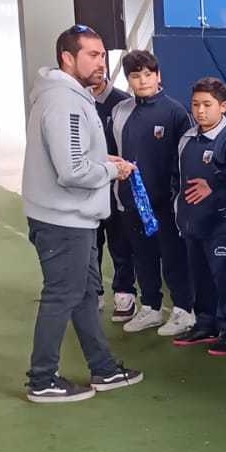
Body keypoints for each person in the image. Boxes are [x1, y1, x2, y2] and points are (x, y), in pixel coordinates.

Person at [20, 26, 144, 403]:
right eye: (91, 55)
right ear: (67, 58)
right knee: (62, 295)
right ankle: (43, 379)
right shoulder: (66, 102)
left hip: (71, 218)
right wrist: (111, 171)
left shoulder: (69, 96)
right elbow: (72, 171)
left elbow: (72, 154)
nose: (100, 62)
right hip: (64, 221)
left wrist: (103, 159)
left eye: (103, 54)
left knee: (86, 294)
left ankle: (102, 367)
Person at [113, 50, 197, 338]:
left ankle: (184, 310)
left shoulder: (175, 112)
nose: (143, 81)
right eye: (135, 76)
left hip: (165, 204)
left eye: (148, 74)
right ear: (128, 80)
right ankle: (150, 307)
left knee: (173, 258)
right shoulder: (121, 111)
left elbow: (185, 158)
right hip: (131, 201)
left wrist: (175, 198)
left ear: (158, 76)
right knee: (142, 257)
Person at [172, 78, 226, 356]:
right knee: (200, 278)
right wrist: (183, 214)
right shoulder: (187, 138)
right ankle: (206, 324)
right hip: (193, 226)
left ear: (223, 106)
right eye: (195, 105)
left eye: (207, 104)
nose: (200, 111)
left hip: (223, 227)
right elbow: (180, 179)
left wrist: (219, 213)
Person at [90, 70, 137, 321]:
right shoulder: (78, 102)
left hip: (117, 184)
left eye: (100, 57)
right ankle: (93, 292)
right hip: (88, 185)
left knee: (120, 241)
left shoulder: (122, 102)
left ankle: (124, 293)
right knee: (91, 242)